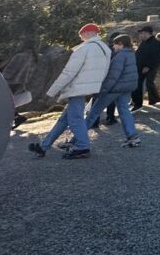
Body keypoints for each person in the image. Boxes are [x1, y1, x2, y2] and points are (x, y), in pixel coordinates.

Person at [28, 23, 111, 160]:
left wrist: (52, 91)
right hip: (89, 87)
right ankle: (43, 146)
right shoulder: (105, 49)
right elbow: (105, 71)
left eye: (81, 35)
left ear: (87, 33)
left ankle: (83, 147)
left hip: (77, 88)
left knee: (75, 119)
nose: (81, 38)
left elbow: (68, 73)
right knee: (64, 120)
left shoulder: (84, 49)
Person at [85, 35, 141, 148]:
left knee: (94, 112)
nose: (113, 46)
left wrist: (101, 91)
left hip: (114, 88)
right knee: (124, 111)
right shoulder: (130, 54)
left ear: (120, 44)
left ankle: (76, 138)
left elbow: (113, 77)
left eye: (115, 44)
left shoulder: (120, 56)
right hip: (126, 87)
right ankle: (133, 136)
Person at [131, 25, 160, 110]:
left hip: (149, 67)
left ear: (147, 33)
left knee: (148, 83)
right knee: (137, 84)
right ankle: (138, 102)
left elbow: (157, 57)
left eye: (142, 33)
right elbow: (139, 54)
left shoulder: (156, 43)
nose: (141, 35)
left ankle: (139, 103)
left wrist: (148, 66)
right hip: (139, 67)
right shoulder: (143, 42)